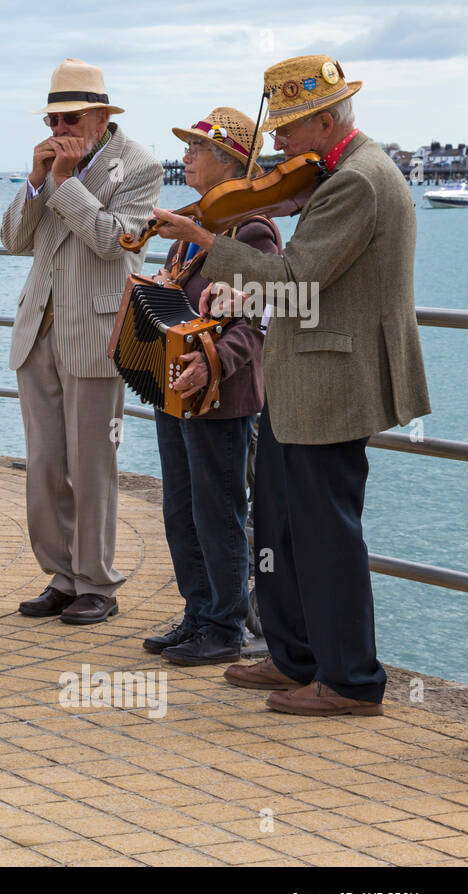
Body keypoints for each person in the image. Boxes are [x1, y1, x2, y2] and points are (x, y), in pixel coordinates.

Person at [152, 56, 430, 716]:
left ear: (327, 121)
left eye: (286, 131)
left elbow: (295, 275)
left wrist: (205, 239)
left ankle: (351, 680)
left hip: (334, 379)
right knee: (276, 522)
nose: (273, 146)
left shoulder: (356, 182)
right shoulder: (336, 174)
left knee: (326, 531)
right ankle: (295, 654)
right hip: (302, 379)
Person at [0, 58, 163, 625]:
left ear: (98, 116)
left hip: (96, 331)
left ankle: (98, 582)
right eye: (51, 119)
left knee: (92, 465)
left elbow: (112, 241)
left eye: (68, 119)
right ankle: (62, 576)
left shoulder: (140, 166)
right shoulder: (48, 162)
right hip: (37, 330)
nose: (57, 130)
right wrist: (34, 182)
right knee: (44, 463)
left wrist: (65, 185)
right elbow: (13, 241)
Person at [137, 109, 281, 666]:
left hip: (221, 395)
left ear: (229, 161)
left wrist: (214, 360)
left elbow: (262, 316)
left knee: (219, 510)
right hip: (177, 387)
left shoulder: (252, 229)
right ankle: (198, 613)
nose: (187, 157)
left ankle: (225, 626)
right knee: (181, 506)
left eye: (196, 149)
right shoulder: (193, 224)